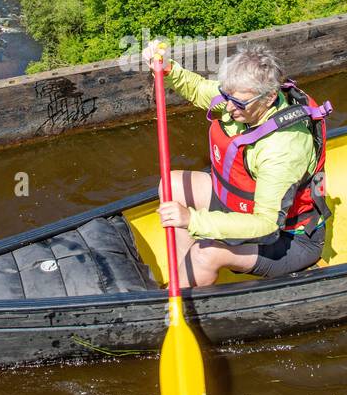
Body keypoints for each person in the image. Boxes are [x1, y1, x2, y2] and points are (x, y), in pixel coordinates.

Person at [142, 39, 332, 288]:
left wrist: (192, 219)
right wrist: (168, 69)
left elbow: (266, 224)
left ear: (269, 97)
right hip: (242, 206)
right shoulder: (240, 95)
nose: (229, 107)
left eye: (239, 103)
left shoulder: (282, 149)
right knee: (173, 184)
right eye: (226, 96)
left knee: (206, 252)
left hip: (287, 238)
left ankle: (178, 300)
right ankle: (182, 280)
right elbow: (200, 89)